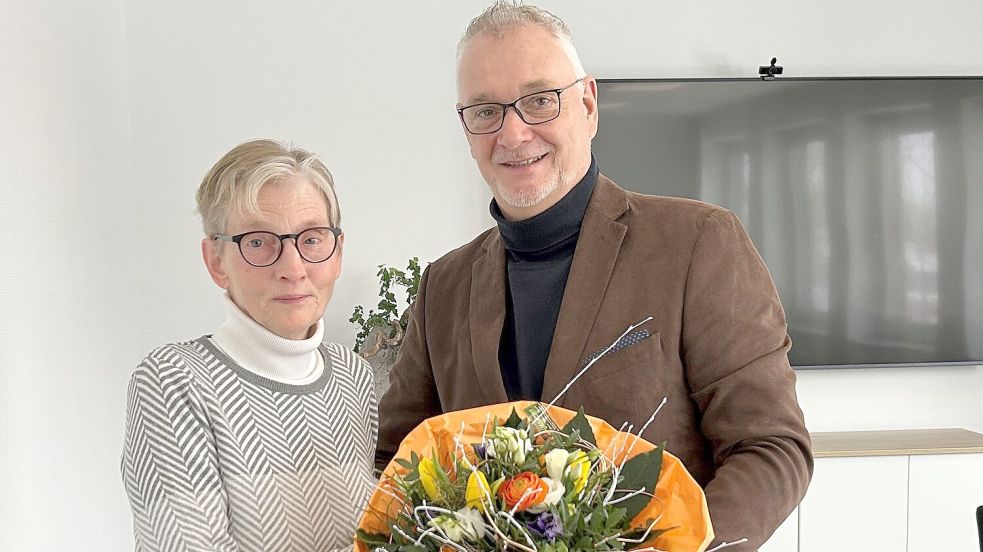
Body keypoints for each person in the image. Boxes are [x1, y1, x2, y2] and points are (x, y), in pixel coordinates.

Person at [376, 2, 812, 550]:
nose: (513, 133)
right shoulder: (442, 286)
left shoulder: (697, 242)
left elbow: (771, 449)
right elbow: (396, 464)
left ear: (587, 104)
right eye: (486, 110)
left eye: (539, 100)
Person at [122, 139, 376, 552]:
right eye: (258, 242)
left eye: (312, 239)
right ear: (216, 262)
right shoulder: (174, 382)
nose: (293, 268)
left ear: (338, 252)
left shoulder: (353, 375)